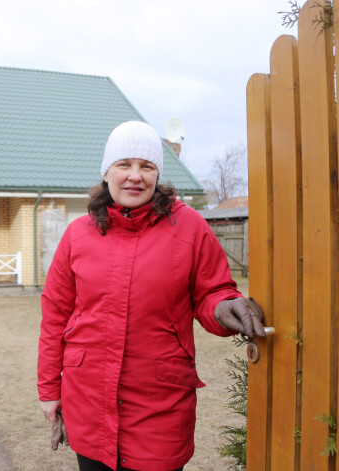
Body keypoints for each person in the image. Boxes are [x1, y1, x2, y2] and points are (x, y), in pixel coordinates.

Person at [37, 121, 265, 471]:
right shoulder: (77, 235)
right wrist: (50, 390)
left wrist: (223, 307)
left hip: (160, 402)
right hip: (88, 400)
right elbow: (55, 317)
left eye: (146, 166)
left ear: (158, 174)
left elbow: (211, 291)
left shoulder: (188, 226)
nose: (134, 176)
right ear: (106, 171)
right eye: (124, 164)